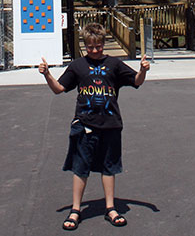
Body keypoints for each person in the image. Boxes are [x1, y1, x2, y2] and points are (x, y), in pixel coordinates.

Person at [39, 22, 150, 230]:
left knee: (109, 167)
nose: (95, 50)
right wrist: (47, 74)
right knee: (81, 168)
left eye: (98, 46)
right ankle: (76, 209)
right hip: (84, 124)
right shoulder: (78, 66)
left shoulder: (114, 64)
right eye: (91, 47)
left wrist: (143, 70)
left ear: (103, 43)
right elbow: (59, 88)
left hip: (110, 124)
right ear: (85, 45)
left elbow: (136, 81)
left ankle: (110, 207)